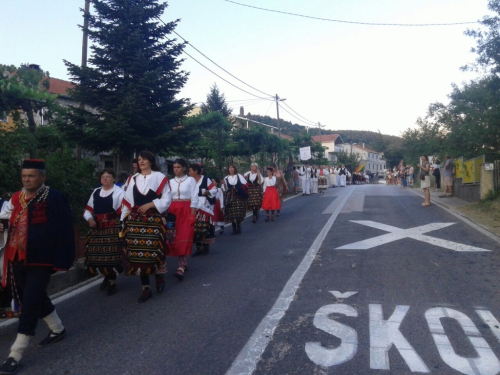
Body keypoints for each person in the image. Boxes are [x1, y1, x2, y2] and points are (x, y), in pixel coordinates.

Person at [0, 159, 75, 374]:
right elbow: (6, 217)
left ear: (42, 177)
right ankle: (57, 329)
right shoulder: (16, 197)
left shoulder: (54, 197)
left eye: (31, 176)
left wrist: (62, 258)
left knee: (30, 301)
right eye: (24, 176)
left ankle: (16, 353)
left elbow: (64, 228)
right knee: (33, 296)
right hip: (17, 255)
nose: (26, 180)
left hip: (42, 258)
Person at [120, 151, 171, 303]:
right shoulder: (132, 179)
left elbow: (167, 197)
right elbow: (127, 202)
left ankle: (159, 275)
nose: (141, 162)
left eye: (144, 159)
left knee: (155, 251)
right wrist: (123, 222)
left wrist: (151, 204)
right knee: (138, 255)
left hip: (154, 220)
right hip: (135, 221)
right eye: (139, 160)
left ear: (151, 161)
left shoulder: (159, 177)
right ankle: (146, 289)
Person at [83, 168, 125, 296]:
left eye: (108, 176)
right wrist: (89, 219)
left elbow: (124, 211)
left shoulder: (119, 192)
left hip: (112, 228)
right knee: (96, 257)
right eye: (103, 177)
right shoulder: (96, 192)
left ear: (114, 179)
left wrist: (121, 226)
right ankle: (106, 276)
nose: (105, 179)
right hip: (97, 228)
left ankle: (112, 282)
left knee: (111, 258)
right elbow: (87, 210)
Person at [167, 159, 198, 281]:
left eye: (178, 167)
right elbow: (167, 198)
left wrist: (192, 214)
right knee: (172, 237)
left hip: (186, 210)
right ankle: (182, 261)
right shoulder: (169, 182)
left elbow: (194, 197)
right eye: (174, 167)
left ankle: (181, 266)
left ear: (184, 168)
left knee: (184, 237)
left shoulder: (190, 180)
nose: (176, 169)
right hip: (173, 211)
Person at [189, 164, 217, 259]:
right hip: (194, 207)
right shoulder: (189, 181)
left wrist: (208, 192)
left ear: (195, 171)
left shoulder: (205, 179)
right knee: (195, 228)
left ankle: (205, 247)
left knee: (204, 227)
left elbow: (214, 189)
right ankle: (198, 248)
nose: (189, 173)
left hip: (204, 207)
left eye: (190, 171)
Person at [224, 165, 248, 235]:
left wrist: (240, 189)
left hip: (238, 196)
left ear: (235, 169)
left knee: (238, 212)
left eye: (232, 168)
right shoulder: (226, 178)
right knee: (231, 213)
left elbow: (245, 185)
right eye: (230, 168)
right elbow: (225, 189)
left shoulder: (239, 176)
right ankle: (234, 228)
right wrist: (224, 186)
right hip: (230, 198)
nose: (231, 169)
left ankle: (239, 226)